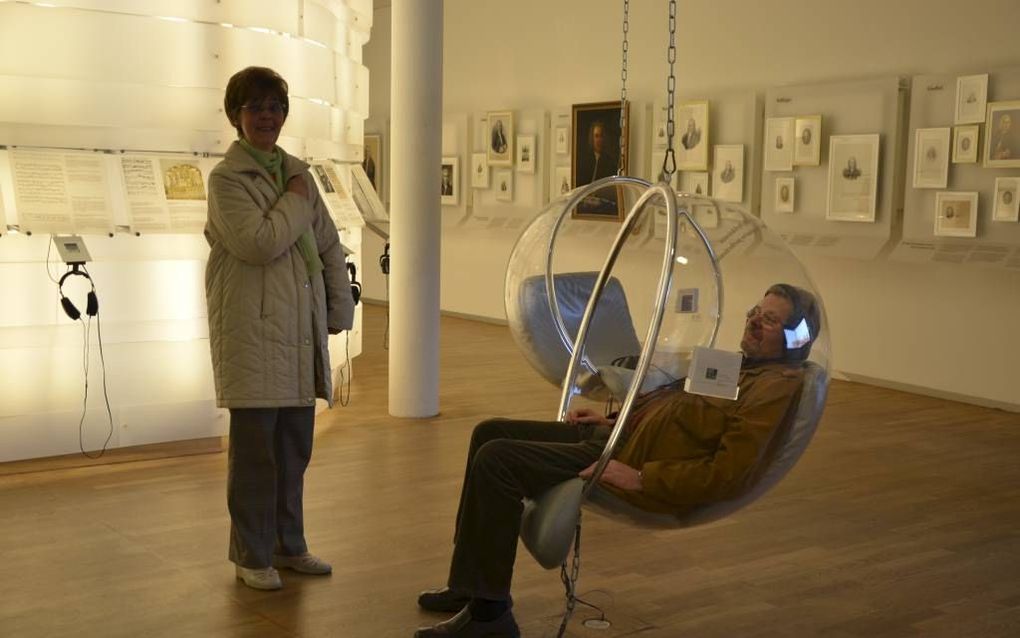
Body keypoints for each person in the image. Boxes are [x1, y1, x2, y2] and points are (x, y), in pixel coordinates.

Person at [413, 284, 821, 637]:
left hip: (628, 459)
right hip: (619, 437)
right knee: (489, 431)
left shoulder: (773, 389)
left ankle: (490, 614)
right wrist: (611, 420)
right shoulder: (740, 367)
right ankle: (471, 582)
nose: (752, 322)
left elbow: (730, 473)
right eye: (755, 312)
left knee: (497, 459)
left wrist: (642, 478)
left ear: (795, 339)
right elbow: (674, 409)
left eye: (769, 321)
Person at [205, 66, 356, 591]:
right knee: (254, 457)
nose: (267, 116)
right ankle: (251, 554)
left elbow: (329, 243)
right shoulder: (228, 179)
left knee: (294, 451)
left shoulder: (297, 172)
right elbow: (259, 242)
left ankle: (289, 546)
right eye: (255, 107)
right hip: (252, 332)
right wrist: (294, 196)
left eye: (275, 106)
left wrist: (341, 307)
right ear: (236, 116)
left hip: (298, 331)